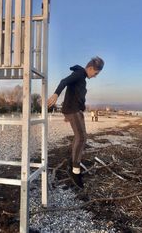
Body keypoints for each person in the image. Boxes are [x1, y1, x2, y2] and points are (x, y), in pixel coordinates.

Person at [48, 56, 104, 188]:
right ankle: (75, 170)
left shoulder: (82, 77)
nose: (95, 76)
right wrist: (56, 94)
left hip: (75, 110)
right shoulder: (79, 74)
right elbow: (64, 81)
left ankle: (73, 162)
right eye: (95, 73)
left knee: (80, 137)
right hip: (72, 110)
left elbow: (75, 95)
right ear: (90, 68)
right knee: (82, 137)